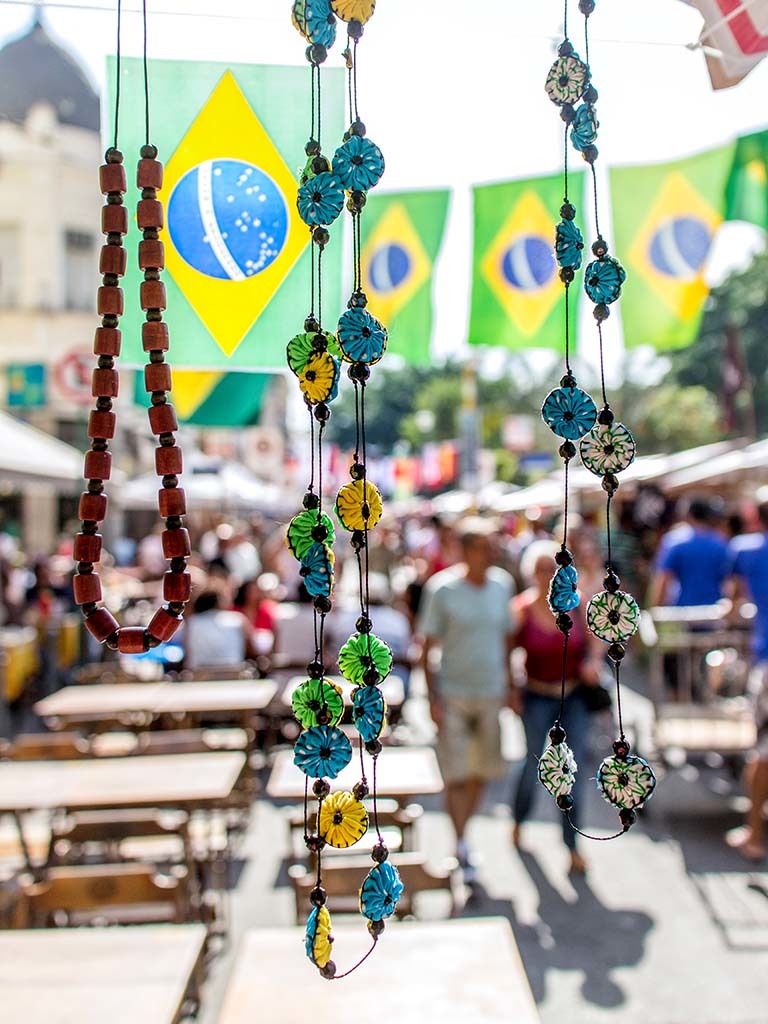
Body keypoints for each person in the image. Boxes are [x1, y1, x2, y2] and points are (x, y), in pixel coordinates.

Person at [418, 517, 516, 879]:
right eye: (485, 546)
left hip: (490, 694)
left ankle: (464, 836)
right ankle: (459, 842)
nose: (492, 553)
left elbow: (506, 639)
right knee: (456, 775)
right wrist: (431, 699)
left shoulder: (501, 586)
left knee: (482, 772)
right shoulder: (442, 590)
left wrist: (511, 685)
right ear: (465, 550)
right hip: (454, 695)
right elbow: (426, 648)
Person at [509, 541, 605, 874]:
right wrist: (512, 691)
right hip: (536, 697)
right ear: (531, 574)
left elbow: (595, 646)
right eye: (541, 569)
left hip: (574, 698)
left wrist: (593, 663)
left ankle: (572, 845)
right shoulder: (521, 608)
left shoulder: (576, 607)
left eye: (554, 569)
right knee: (533, 764)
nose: (548, 575)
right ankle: (519, 819)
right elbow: (507, 652)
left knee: (571, 771)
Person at [724, 496, 768, 861]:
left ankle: (754, 833)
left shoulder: (746, 549)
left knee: (763, 751)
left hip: (765, 662)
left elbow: (734, 599)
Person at [648, 497, 728, 608]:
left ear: (688, 514)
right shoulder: (720, 543)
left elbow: (663, 578)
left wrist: (655, 609)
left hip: (681, 610)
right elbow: (729, 580)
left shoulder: (674, 540)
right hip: (714, 609)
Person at [182, 589, 257, 671]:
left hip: (198, 673)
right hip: (232, 672)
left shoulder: (191, 622)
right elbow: (252, 648)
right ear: (219, 602)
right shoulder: (238, 619)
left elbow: (185, 648)